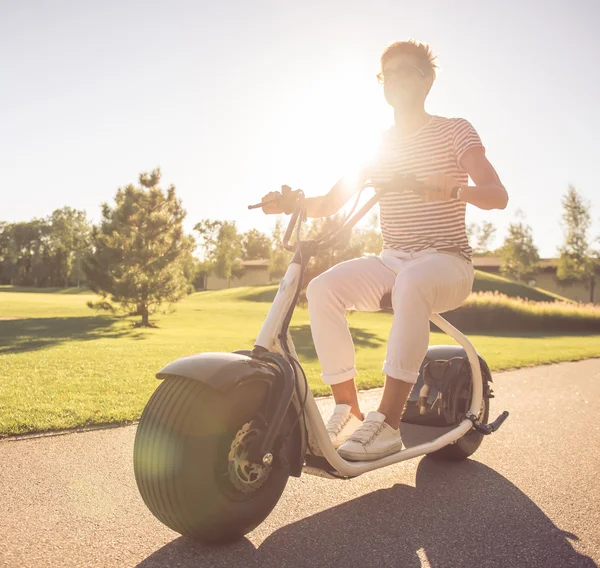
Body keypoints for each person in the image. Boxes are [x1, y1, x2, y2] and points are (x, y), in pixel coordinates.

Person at [261, 39, 508, 461]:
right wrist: (292, 203)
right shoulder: (375, 146)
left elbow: (497, 195)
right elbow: (327, 203)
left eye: (403, 71)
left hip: (448, 262)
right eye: (385, 74)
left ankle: (389, 424)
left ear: (427, 79)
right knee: (323, 289)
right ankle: (349, 408)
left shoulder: (455, 130)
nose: (392, 80)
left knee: (412, 281)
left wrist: (451, 187)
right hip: (392, 260)